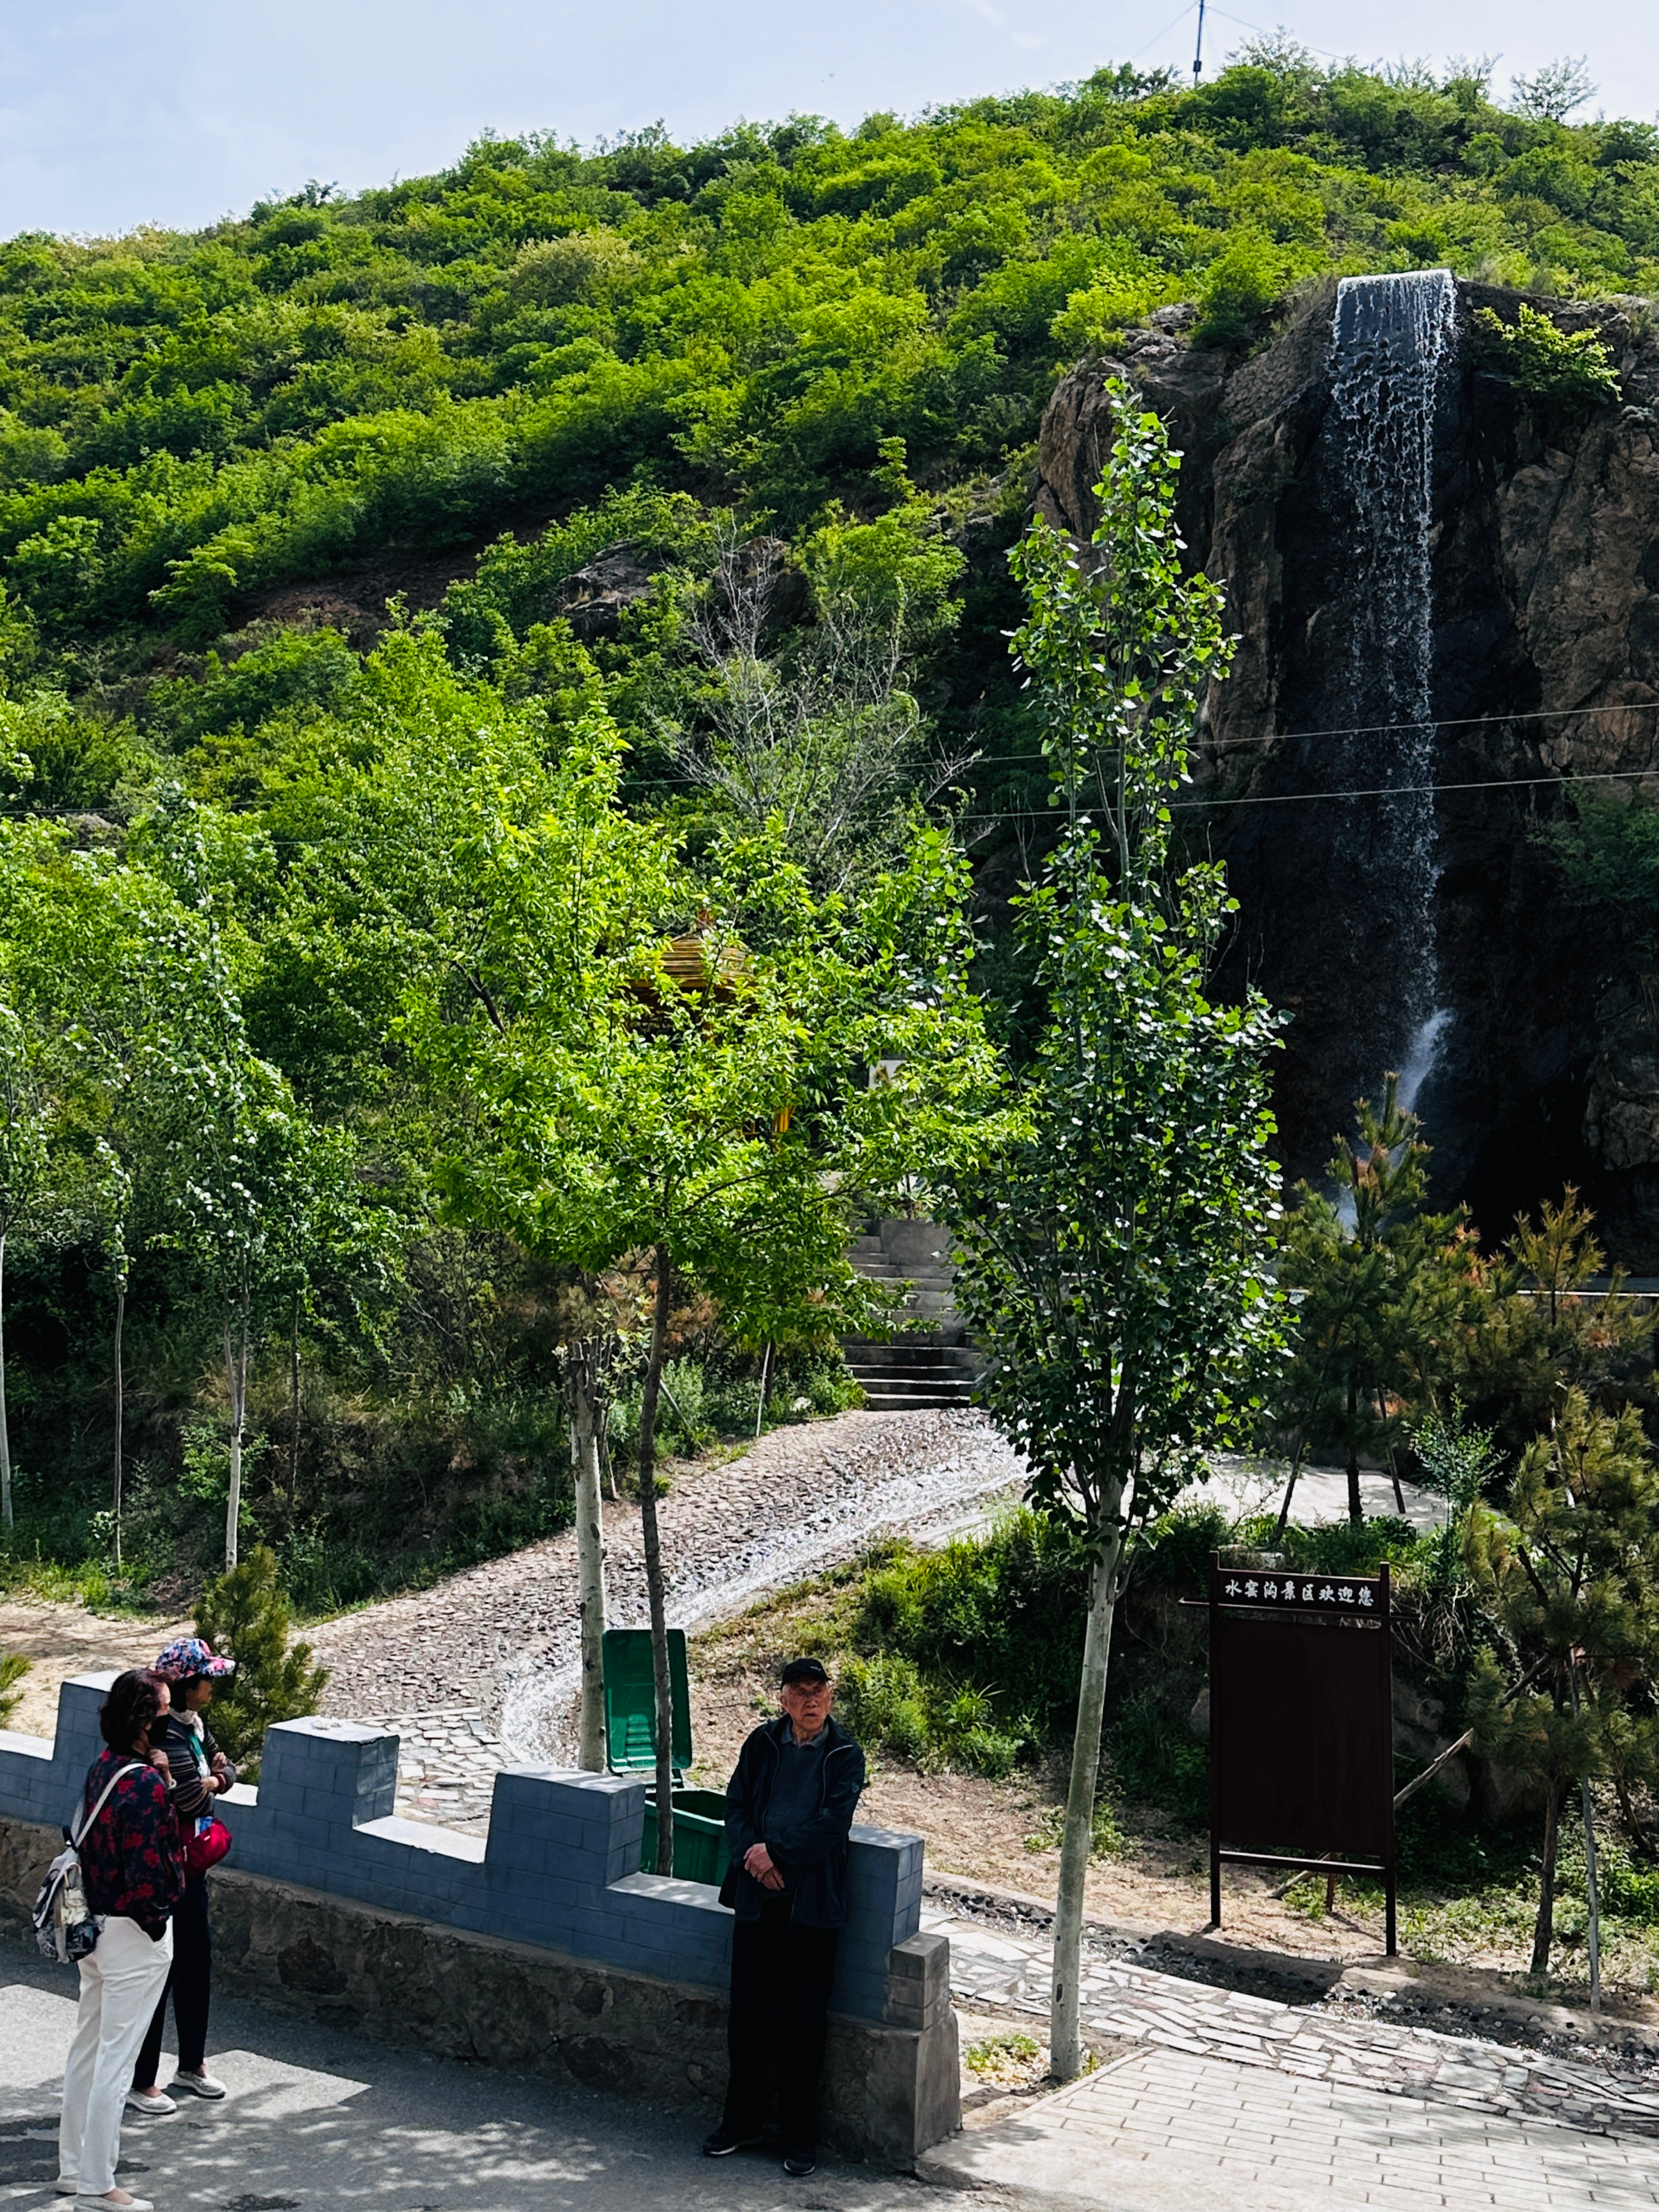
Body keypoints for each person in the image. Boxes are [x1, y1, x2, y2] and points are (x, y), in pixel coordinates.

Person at [703, 1655, 866, 2180]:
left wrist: (776, 1854)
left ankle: (799, 2139)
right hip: (757, 1899)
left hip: (811, 1907)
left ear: (830, 1696)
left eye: (819, 1691)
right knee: (747, 2016)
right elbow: (736, 1805)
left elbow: (833, 1823)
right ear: (783, 1698)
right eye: (800, 1692)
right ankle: (741, 2123)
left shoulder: (845, 1753)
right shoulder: (762, 1743)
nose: (811, 1700)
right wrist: (754, 1853)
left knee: (803, 2023)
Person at [57, 1668, 185, 2211]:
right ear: (143, 1723)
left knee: (88, 2051)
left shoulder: (103, 1768)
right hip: (134, 1934)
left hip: (93, 1927)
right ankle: (97, 2185)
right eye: (163, 1713)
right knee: (116, 2060)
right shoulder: (145, 1785)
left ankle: (74, 2169)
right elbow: (154, 1873)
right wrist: (160, 1919)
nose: (169, 1723)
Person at [128, 1639, 238, 2115]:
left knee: (196, 1966)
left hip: (194, 1869)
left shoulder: (194, 1726)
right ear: (187, 1684)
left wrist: (216, 1778)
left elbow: (228, 1766)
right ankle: (141, 2079)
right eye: (207, 1678)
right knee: (160, 1973)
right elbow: (189, 1798)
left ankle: (190, 2064)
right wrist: (212, 1782)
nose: (212, 1685)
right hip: (167, 1870)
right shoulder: (167, 1734)